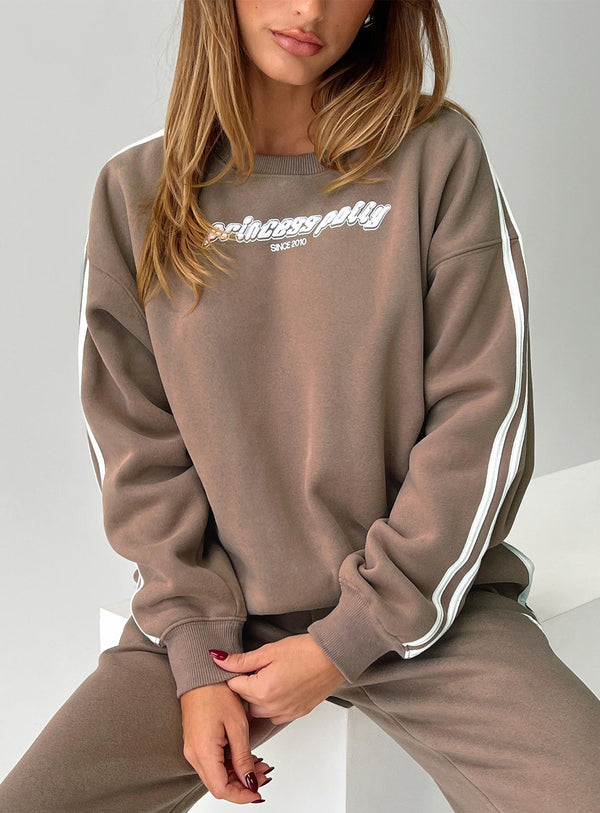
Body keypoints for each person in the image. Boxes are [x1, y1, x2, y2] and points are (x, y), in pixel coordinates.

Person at [2, 1, 600, 811]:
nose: (310, 8)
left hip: (427, 615)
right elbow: (137, 450)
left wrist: (346, 639)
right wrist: (195, 655)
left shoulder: (437, 155)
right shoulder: (137, 192)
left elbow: (481, 419)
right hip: (225, 629)